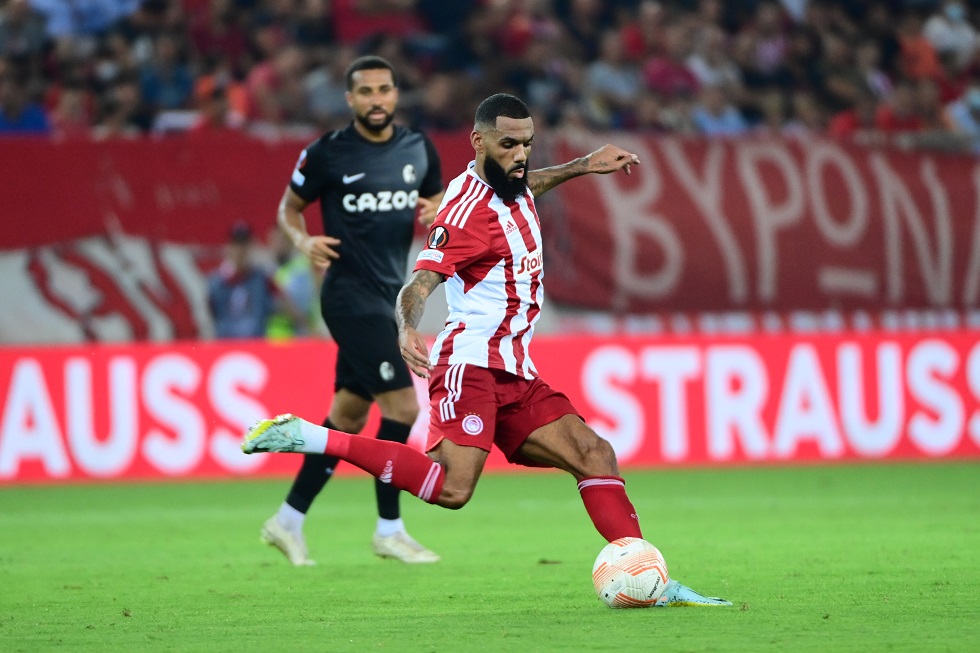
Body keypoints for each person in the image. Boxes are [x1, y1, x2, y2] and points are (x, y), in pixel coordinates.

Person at [243, 92, 731, 607]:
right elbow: (420, 283)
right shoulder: (463, 214)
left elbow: (527, 185)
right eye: (508, 145)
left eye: (527, 144)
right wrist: (407, 327)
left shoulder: (508, 183)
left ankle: (651, 580)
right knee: (452, 489)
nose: (521, 155)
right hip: (470, 364)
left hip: (515, 370)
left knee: (594, 454)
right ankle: (310, 436)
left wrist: (584, 165)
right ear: (478, 142)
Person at [259, 55, 446, 566]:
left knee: (347, 416)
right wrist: (303, 240)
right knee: (403, 409)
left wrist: (437, 211)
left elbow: (440, 206)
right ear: (350, 99)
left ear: (395, 94)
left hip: (390, 296)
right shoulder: (327, 153)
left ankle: (287, 520)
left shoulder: (417, 148)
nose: (376, 100)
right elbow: (289, 207)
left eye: (384, 90)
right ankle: (390, 529)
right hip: (348, 297)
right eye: (366, 92)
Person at [207, 222, 277, 339]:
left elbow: (281, 307)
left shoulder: (263, 279)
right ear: (229, 247)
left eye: (244, 245)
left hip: (256, 344)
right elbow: (210, 315)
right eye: (236, 245)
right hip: (226, 344)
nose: (241, 250)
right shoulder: (216, 282)